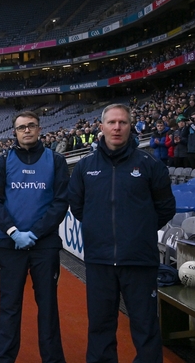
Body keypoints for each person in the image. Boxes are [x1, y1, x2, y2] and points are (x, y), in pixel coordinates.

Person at [69, 104, 175, 362]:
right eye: (112, 122)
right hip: (100, 260)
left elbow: (165, 208)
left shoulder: (150, 164)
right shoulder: (84, 167)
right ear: (101, 127)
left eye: (123, 123)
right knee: (100, 327)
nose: (117, 127)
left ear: (131, 126)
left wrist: (138, 230)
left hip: (139, 260)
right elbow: (78, 207)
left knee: (146, 328)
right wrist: (100, 228)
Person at [0, 111, 69, 363]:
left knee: (47, 307)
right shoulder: (2, 160)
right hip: (10, 245)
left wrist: (34, 233)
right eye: (21, 127)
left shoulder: (55, 160)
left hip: (44, 246)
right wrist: (13, 232)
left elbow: (60, 203)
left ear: (39, 128)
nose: (26, 131)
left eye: (31, 126)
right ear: (15, 132)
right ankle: (4, 359)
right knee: (9, 306)